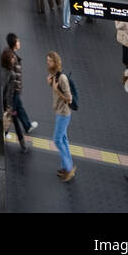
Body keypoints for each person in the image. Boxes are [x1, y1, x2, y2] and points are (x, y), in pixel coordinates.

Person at [47, 50, 75, 182]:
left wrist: (56, 89)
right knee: (63, 140)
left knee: (57, 140)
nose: (48, 62)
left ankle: (68, 168)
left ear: (56, 62)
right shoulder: (54, 75)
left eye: (50, 60)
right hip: (59, 112)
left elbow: (69, 99)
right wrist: (51, 85)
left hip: (63, 114)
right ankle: (66, 166)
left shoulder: (62, 78)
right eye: (47, 60)